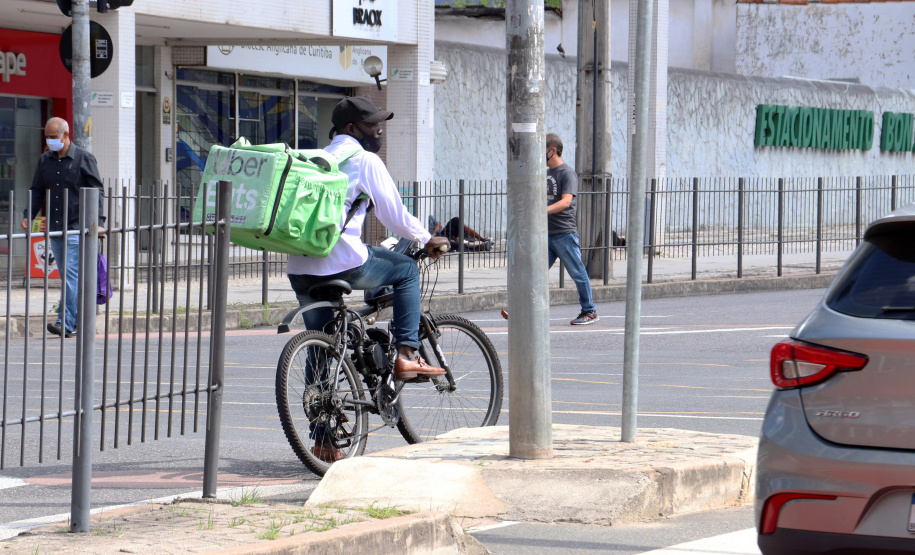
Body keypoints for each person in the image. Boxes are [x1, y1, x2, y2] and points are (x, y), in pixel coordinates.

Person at [286, 97, 450, 459]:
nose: (379, 130)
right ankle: (406, 354)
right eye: (373, 124)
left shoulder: (316, 160)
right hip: (342, 262)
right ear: (351, 129)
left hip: (300, 267)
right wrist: (427, 238)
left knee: (321, 346)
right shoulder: (364, 161)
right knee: (405, 270)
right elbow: (394, 215)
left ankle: (323, 440)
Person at [21, 117, 105, 338]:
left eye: (53, 137)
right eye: (47, 137)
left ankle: (64, 322)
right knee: (69, 276)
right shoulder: (44, 161)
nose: (50, 141)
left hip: (78, 227)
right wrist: (29, 215)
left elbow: (97, 191)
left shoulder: (84, 158)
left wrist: (100, 222)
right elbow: (37, 189)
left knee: (71, 275)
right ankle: (75, 320)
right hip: (56, 228)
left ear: (66, 135)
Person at [546, 133, 598, 325]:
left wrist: (541, 211)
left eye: (542, 149)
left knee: (577, 272)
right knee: (534, 271)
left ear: (552, 150)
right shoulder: (547, 174)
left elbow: (566, 202)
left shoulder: (567, 173)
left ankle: (589, 311)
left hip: (564, 233)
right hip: (548, 233)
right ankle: (522, 308)